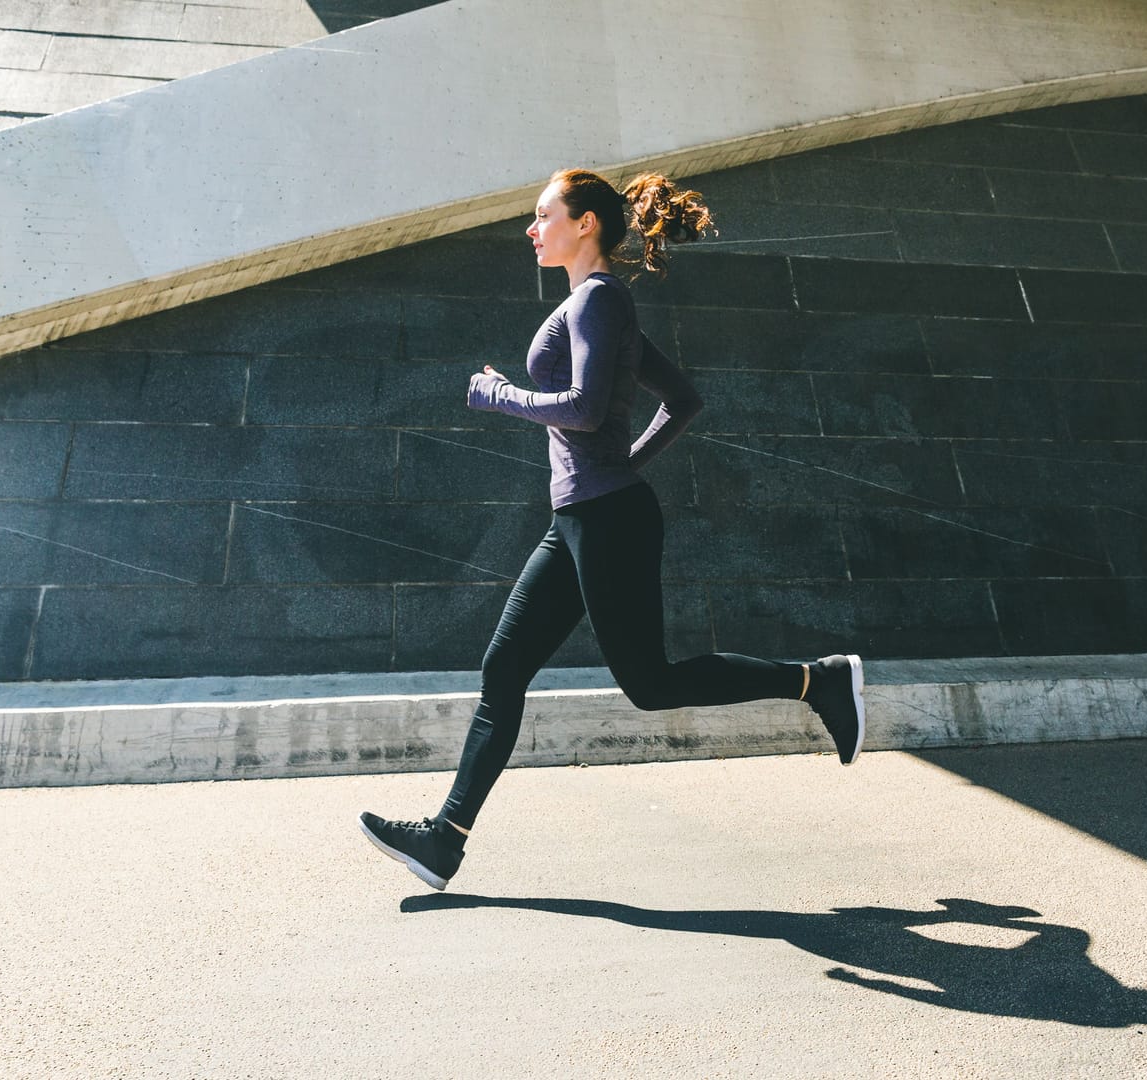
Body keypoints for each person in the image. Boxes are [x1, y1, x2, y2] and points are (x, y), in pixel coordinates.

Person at [359, 169, 865, 892]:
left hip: (606, 519)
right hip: (580, 516)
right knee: (504, 669)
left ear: (586, 223)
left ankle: (820, 681)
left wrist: (500, 394)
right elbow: (682, 400)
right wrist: (620, 465)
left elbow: (586, 409)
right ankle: (446, 839)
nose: (532, 230)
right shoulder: (601, 305)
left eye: (543, 216)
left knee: (650, 684)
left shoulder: (597, 301)